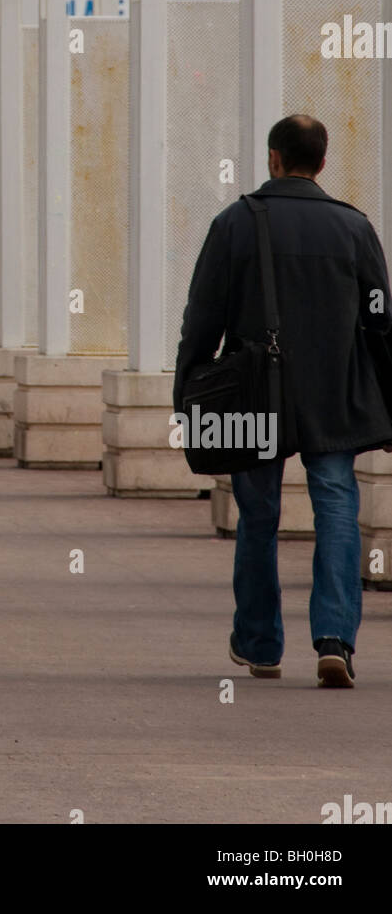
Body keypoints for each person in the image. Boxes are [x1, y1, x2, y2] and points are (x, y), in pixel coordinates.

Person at [173, 114, 392, 689]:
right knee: (338, 508)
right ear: (322, 163)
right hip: (334, 396)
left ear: (273, 158)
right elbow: (380, 325)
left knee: (259, 517)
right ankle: (335, 641)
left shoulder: (235, 224)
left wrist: (187, 391)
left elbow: (202, 318)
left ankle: (260, 643)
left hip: (252, 396)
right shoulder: (355, 228)